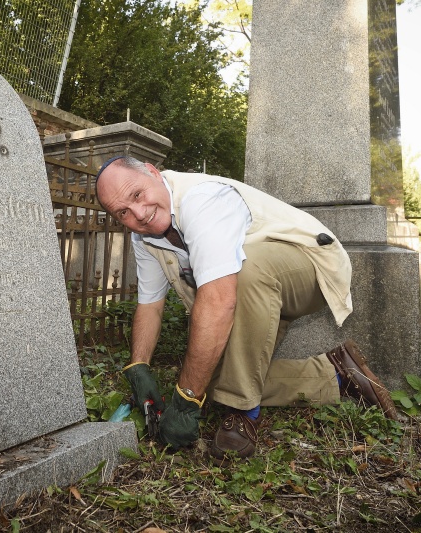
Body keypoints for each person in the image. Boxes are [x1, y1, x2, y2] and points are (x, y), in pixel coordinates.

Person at [95, 155, 398, 462]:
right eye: (124, 212)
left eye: (137, 195)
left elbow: (218, 301)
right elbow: (150, 306)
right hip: (252, 293)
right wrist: (139, 365)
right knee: (212, 379)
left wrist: (187, 398)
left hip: (308, 266)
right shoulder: (144, 238)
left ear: (152, 173)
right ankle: (337, 376)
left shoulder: (200, 199)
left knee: (243, 271)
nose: (140, 213)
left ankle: (242, 411)